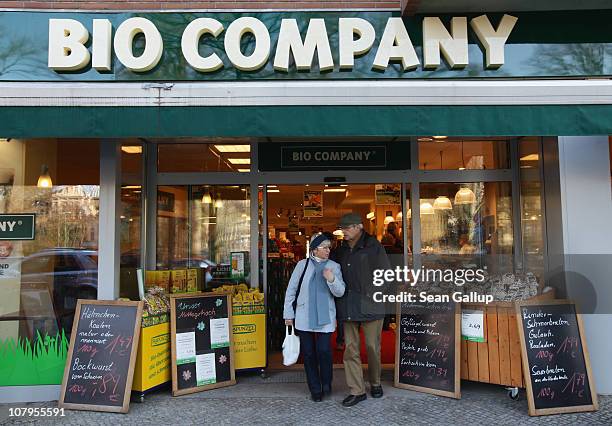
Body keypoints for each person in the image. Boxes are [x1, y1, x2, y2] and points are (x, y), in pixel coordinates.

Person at [334, 212, 391, 407]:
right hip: (348, 305)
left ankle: (375, 383)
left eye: (347, 228)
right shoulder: (340, 249)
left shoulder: (373, 246)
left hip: (370, 305)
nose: (344, 231)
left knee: (373, 348)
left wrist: (372, 292)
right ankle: (357, 390)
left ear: (358, 227)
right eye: (342, 228)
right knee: (350, 350)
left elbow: (386, 274)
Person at [283, 233, 345, 402]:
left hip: (325, 318)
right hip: (304, 317)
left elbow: (340, 292)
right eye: (324, 248)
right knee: (309, 354)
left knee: (324, 351)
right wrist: (288, 314)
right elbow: (291, 290)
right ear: (314, 250)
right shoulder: (302, 265)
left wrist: (331, 279)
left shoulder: (334, 266)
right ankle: (315, 389)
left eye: (329, 247)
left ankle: (326, 384)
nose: (327, 250)